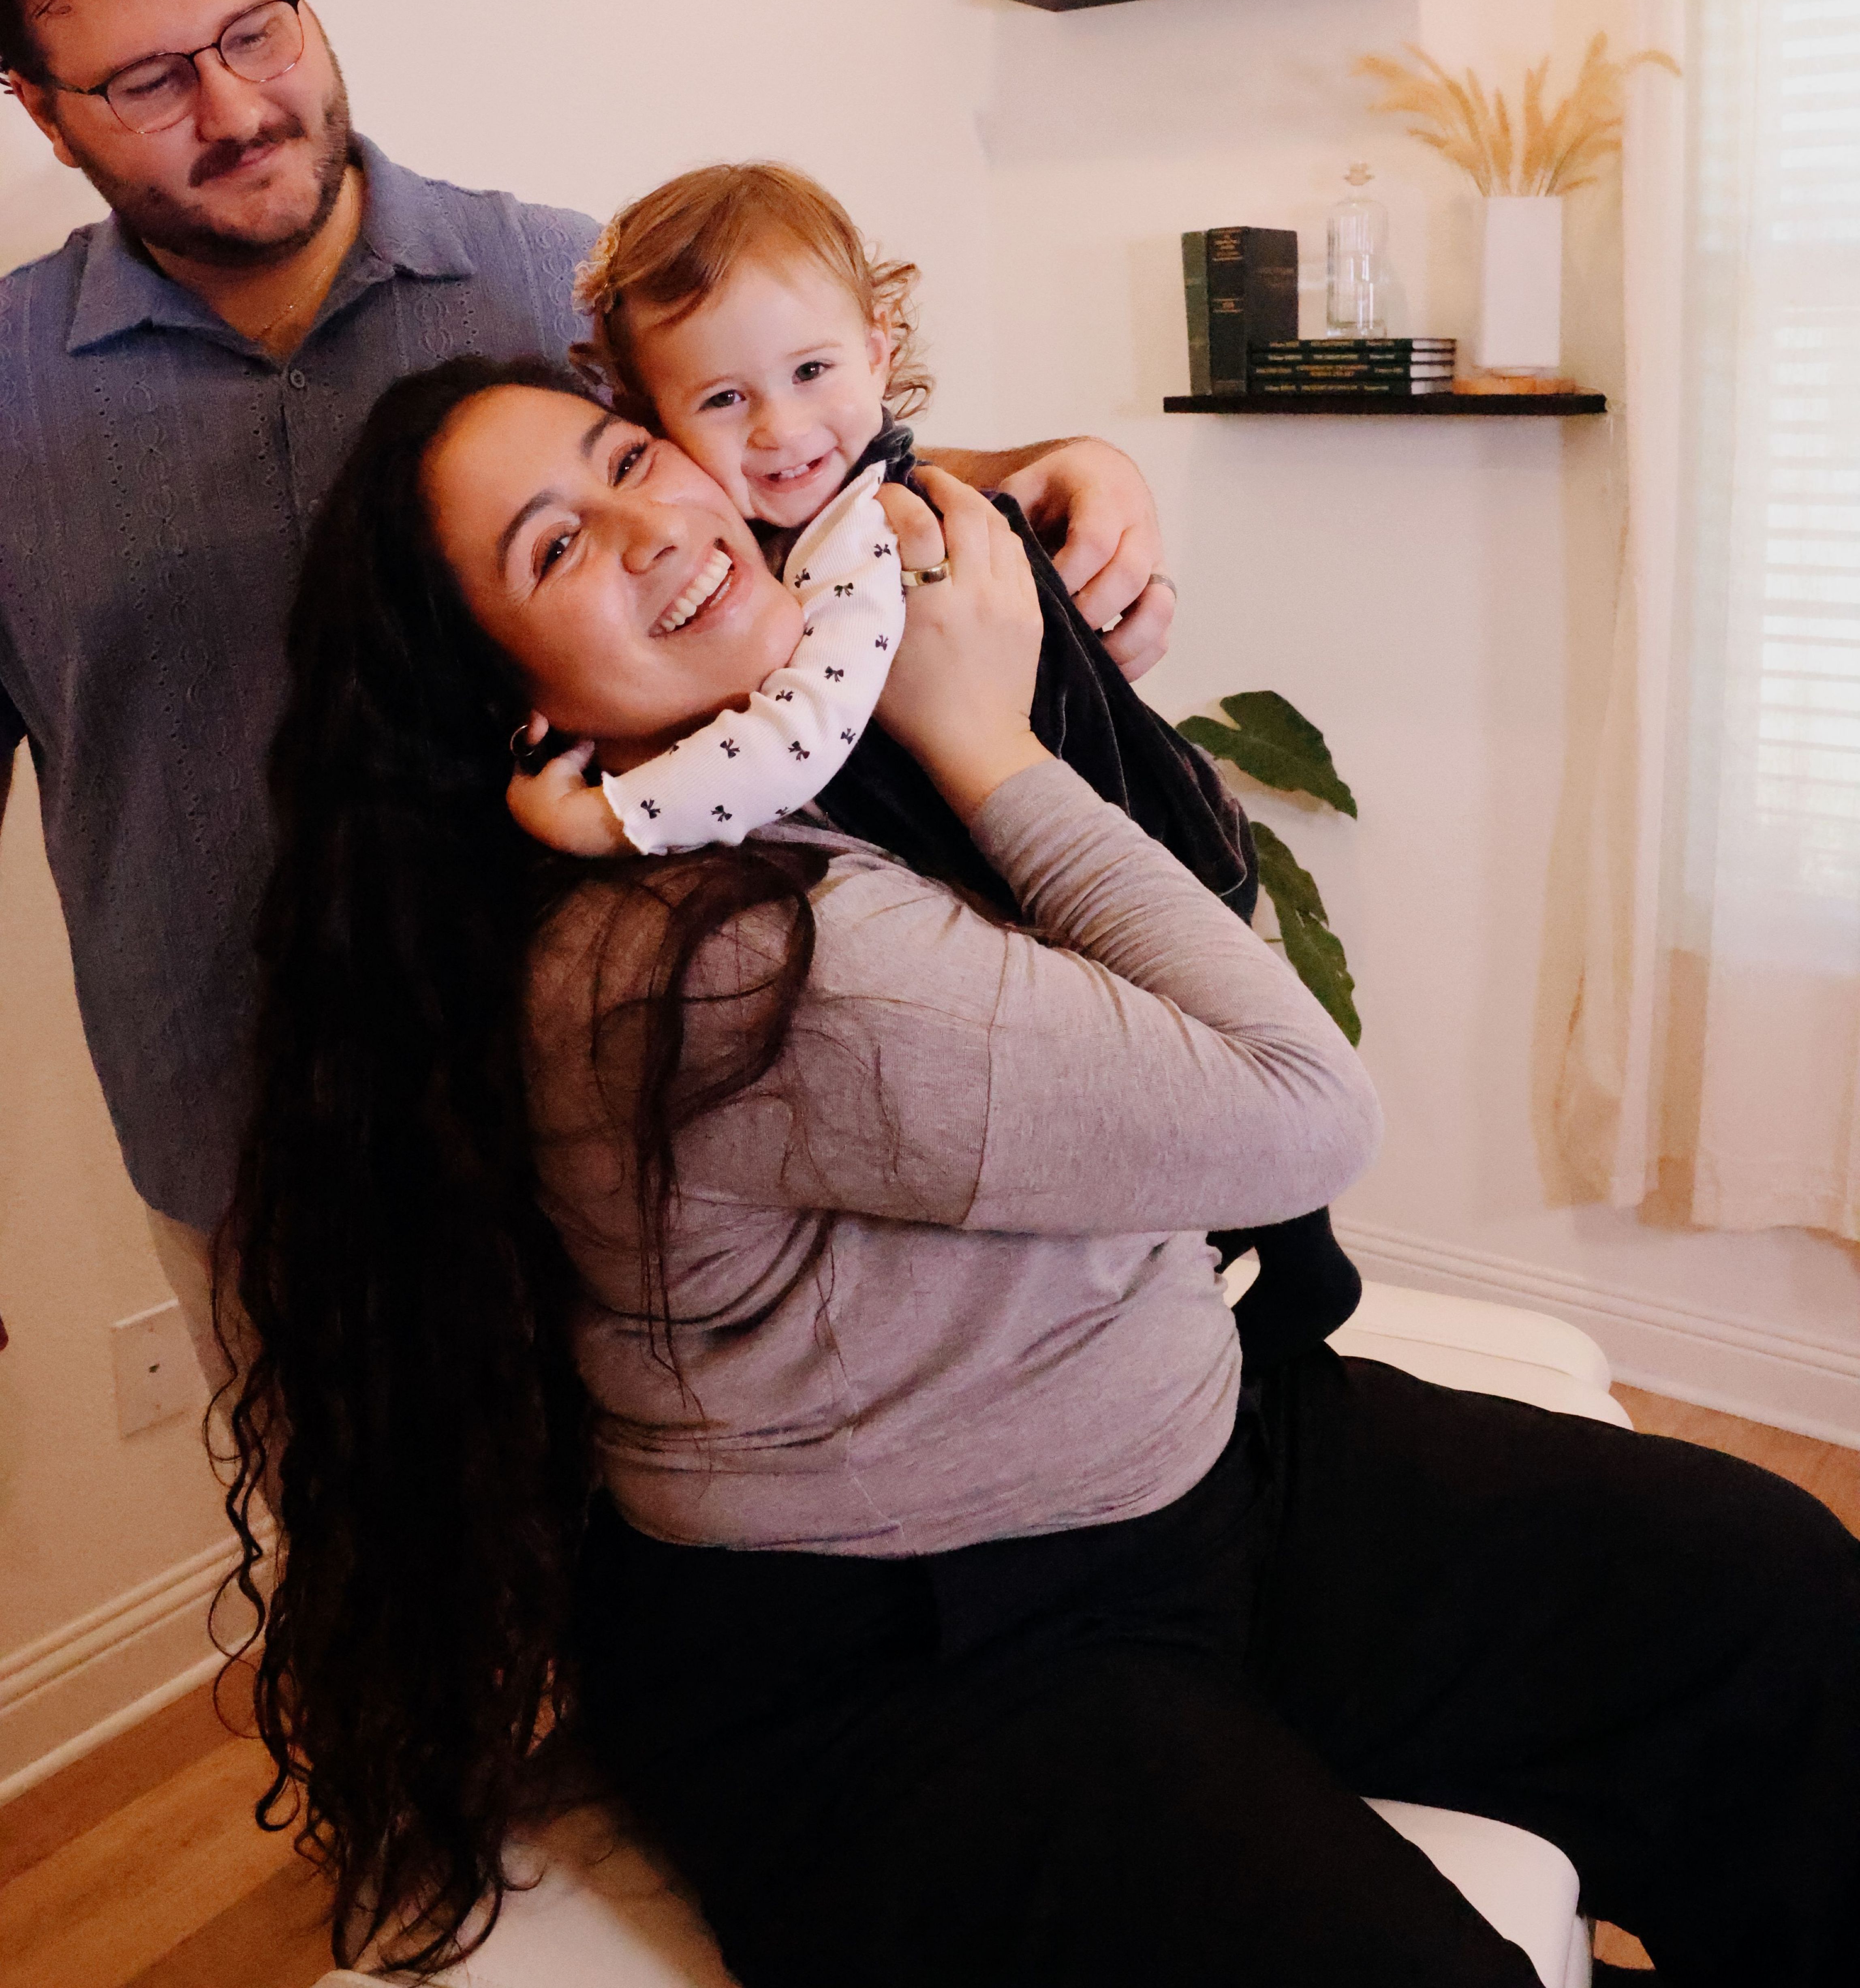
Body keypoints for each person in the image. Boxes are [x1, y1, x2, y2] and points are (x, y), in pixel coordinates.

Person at [225, 354, 1860, 1988]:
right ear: (521, 707)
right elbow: (1297, 1105)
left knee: (1766, 1596)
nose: (649, 522)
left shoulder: (794, 750)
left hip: (1188, 1470)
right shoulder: (712, 962)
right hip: (919, 1649)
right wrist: (986, 739)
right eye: (552, 547)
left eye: (632, 456)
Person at [0, 0, 1172, 1367]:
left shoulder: (562, 284)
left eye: (257, 31)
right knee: (377, 1588)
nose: (235, 104)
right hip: (249, 1148)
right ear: (40, 111)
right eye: (148, 80)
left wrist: (1060, 465)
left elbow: (788, 477)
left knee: (668, 1585)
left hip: (628, 1118)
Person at [515, 157, 1360, 1369]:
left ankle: (1295, 1275)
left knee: (1213, 1136)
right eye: (722, 402)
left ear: (877, 346)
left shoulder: (870, 538)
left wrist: (614, 817)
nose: (784, 428)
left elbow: (796, 736)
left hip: (1132, 843)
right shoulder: (787, 532)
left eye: (810, 373)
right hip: (1054, 857)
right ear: (654, 414)